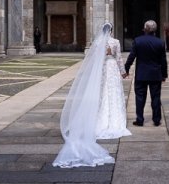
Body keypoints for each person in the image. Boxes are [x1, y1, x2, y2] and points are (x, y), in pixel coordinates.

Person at [53, 22, 130, 168]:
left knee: (102, 94)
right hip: (112, 67)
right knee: (112, 93)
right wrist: (123, 71)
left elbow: (93, 60)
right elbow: (119, 58)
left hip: (101, 70)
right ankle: (115, 120)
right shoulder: (115, 42)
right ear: (112, 30)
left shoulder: (98, 42)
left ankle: (99, 120)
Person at [123, 19, 168, 127]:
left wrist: (126, 69)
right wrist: (164, 74)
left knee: (140, 97)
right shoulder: (160, 42)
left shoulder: (138, 41)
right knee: (156, 97)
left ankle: (140, 119)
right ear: (155, 30)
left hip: (141, 74)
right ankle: (156, 120)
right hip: (155, 74)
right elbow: (163, 60)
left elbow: (131, 57)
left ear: (145, 29)